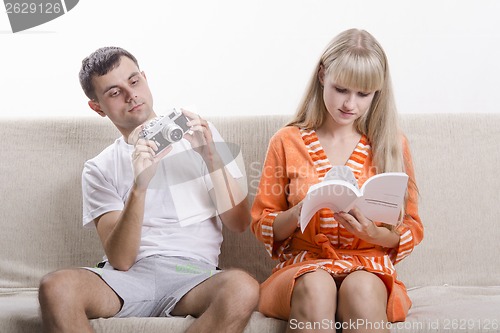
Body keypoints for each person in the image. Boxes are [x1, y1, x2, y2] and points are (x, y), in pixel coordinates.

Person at [38, 46, 259, 333]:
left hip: (192, 274)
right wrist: (139, 187)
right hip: (129, 277)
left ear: (145, 78)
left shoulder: (198, 134)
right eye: (114, 92)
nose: (132, 96)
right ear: (97, 108)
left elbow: (239, 223)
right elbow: (121, 259)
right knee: (55, 287)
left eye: (134, 81)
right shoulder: (99, 167)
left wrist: (211, 158)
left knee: (242, 288)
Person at [251, 29, 424, 333]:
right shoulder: (286, 141)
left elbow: (410, 226)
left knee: (361, 289)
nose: (350, 104)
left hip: (369, 265)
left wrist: (373, 234)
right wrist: (301, 210)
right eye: (341, 89)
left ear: (377, 93)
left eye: (363, 94)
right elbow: (263, 222)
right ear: (321, 76)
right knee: (316, 286)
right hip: (304, 265)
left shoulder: (391, 144)